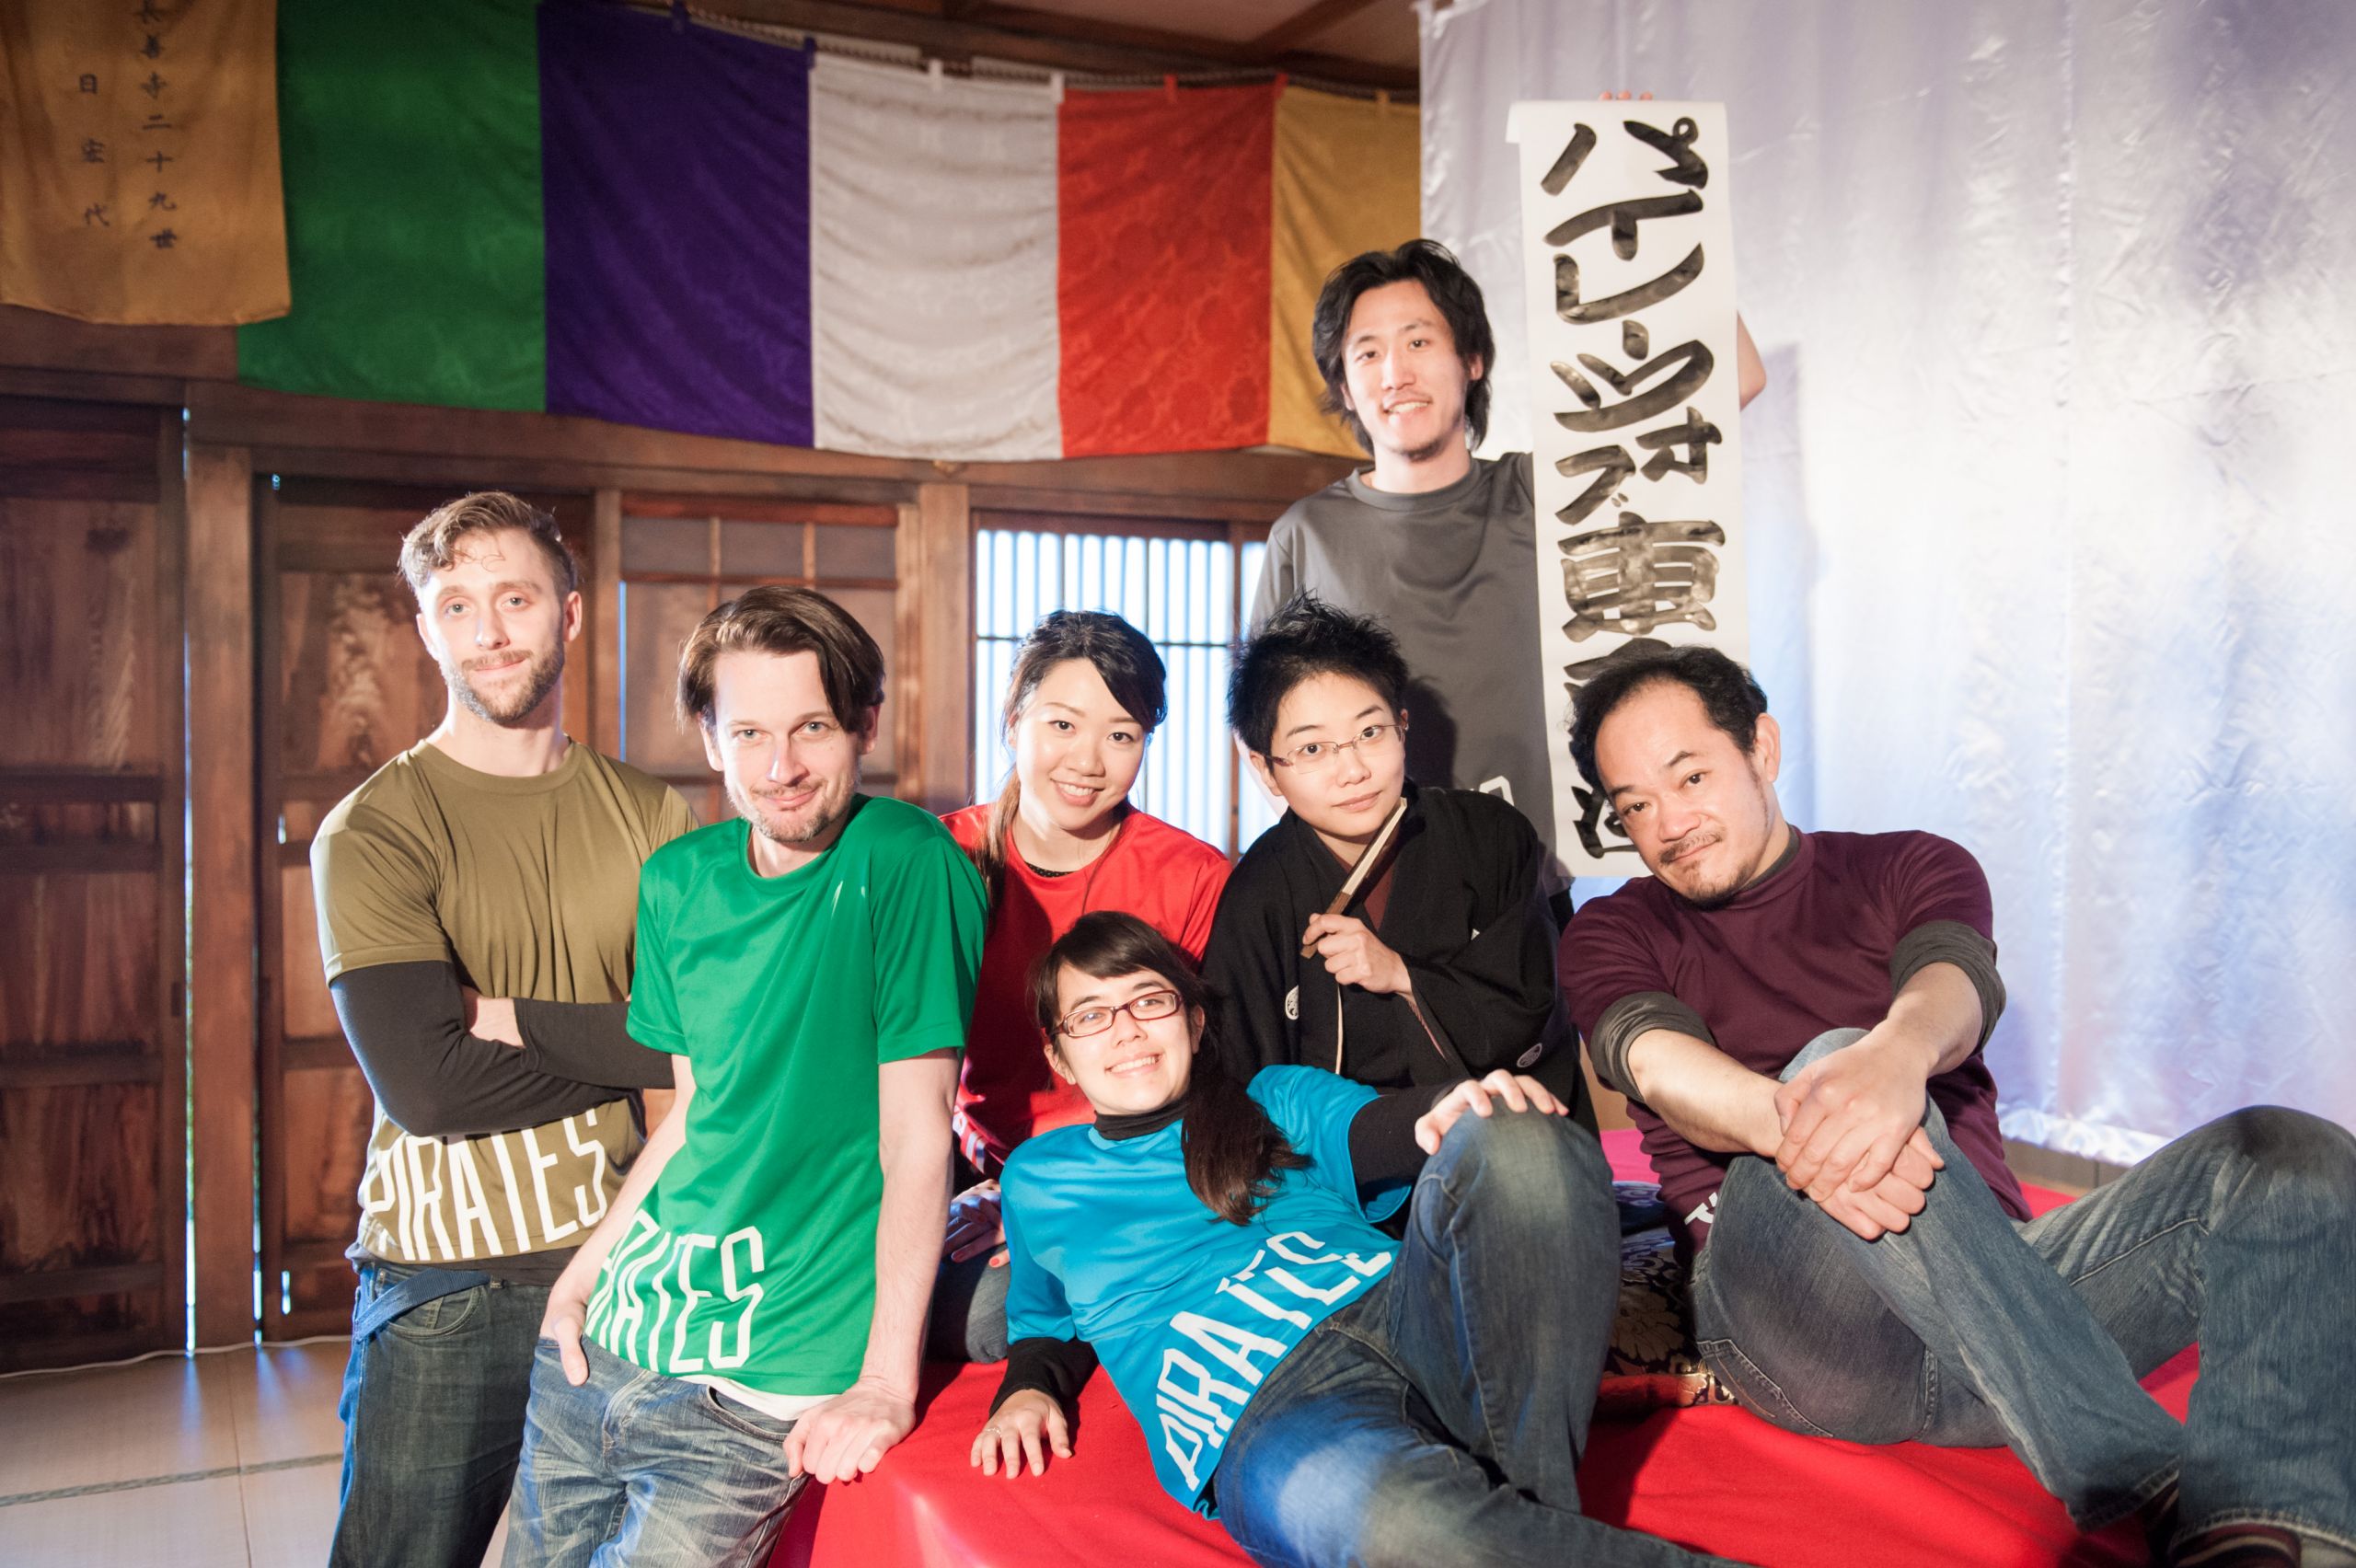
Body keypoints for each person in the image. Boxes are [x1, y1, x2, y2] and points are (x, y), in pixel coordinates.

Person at [1560, 643, 2356, 1568]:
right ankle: (2148, 1476)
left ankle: (2260, 1527)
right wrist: (1832, 1114)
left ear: (1761, 749)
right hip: (1804, 1332)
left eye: (1689, 777)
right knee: (1836, 1068)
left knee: (2291, 1152)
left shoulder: (1908, 864)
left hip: (2009, 1290)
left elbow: (1954, 983)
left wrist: (1897, 1059)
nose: (1668, 824)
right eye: (1634, 806)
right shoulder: (1613, 927)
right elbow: (1659, 1068)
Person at [973, 912, 1738, 1568]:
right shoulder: (1039, 1178)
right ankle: (1517, 1519)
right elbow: (1043, 1317)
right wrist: (1028, 1385)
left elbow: (1378, 1128)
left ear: (1195, 1022)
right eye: (1091, 1015)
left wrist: (1451, 1108)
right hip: (1266, 1411)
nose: (1127, 1031)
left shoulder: (1271, 1096)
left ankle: (1506, 1525)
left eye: (1150, 1000)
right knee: (1407, 1526)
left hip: (1413, 1313)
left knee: (1517, 1134)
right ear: (1058, 1053)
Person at [502, 586, 987, 1566]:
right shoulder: (677, 880)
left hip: (758, 1383)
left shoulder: (904, 860)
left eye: (813, 728)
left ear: (865, 725)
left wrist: (885, 1384)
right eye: (750, 733)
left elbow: (917, 1133)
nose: (781, 768)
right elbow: (693, 1112)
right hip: (612, 1341)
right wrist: (580, 1279)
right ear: (709, 738)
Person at [311, 490, 694, 1568]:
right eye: (457, 606)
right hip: (448, 1289)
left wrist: (502, 1019)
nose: (488, 632)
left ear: (567, 613)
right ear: (425, 629)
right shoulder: (374, 829)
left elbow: (702, 1042)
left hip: (624, 1267)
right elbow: (427, 1089)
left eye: (515, 599)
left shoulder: (652, 817)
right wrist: (637, 1043)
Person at [1253, 238, 1766, 886]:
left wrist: (1665, 214)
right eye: (1368, 353)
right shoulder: (1306, 533)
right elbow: (1260, 727)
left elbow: (1739, 378)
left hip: (1532, 878)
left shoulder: (1544, 493)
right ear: (1344, 389)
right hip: (1383, 884)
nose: (1395, 374)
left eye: (1418, 341)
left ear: (1472, 360)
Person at [931, 610, 1230, 1362]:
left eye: (1122, 736)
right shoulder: (942, 857)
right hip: (970, 1162)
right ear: (1014, 722)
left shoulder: (1192, 876)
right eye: (1062, 725)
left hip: (1129, 1166)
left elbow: (1210, 1071)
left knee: (989, 1320)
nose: (1089, 762)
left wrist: (1048, 1196)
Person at [1202, 594, 1593, 1122]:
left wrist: (1403, 975)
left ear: (1402, 725)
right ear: (1266, 768)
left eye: (1370, 733)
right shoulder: (1258, 893)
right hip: (1342, 1157)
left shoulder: (1490, 835)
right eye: (1312, 749)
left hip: (1500, 1127)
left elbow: (1535, 1010)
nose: (1354, 771)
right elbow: (1246, 1079)